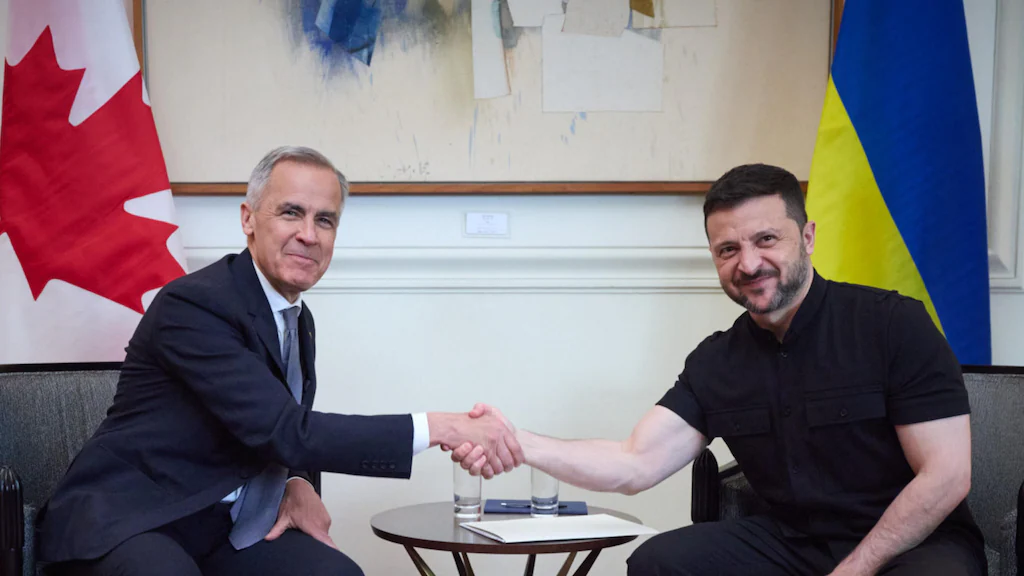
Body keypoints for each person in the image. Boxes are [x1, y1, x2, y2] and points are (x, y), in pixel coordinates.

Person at [453, 164, 986, 575]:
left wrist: (855, 568)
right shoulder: (716, 360)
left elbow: (946, 475)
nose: (748, 263)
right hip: (791, 543)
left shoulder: (892, 323)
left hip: (913, 543)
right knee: (658, 563)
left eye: (766, 240)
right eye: (727, 249)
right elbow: (634, 463)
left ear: (808, 238)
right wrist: (516, 441)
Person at [38, 146, 523, 576]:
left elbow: (277, 431)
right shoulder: (195, 305)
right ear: (248, 218)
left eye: (325, 219)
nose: (309, 234)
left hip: (223, 526)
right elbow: (284, 427)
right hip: (134, 520)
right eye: (291, 213)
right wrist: (441, 427)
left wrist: (295, 481)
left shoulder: (296, 316)